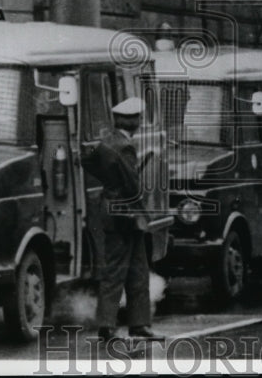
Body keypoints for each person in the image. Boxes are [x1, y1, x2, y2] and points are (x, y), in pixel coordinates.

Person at [82, 96, 159, 342]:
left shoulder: (105, 142)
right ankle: (110, 325)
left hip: (113, 211)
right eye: (137, 118)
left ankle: (138, 324)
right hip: (125, 214)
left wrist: (110, 184)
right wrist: (143, 213)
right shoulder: (125, 147)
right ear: (132, 121)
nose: (139, 121)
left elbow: (88, 163)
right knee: (122, 272)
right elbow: (132, 186)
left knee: (136, 269)